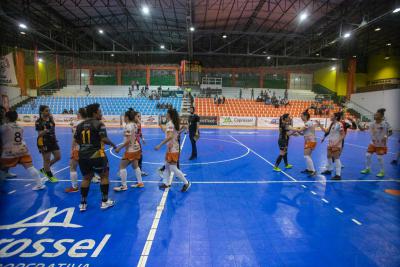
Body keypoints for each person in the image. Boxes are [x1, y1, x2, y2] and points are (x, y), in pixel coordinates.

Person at [74, 103, 117, 211]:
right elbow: (104, 139)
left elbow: (76, 140)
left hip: (82, 155)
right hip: (96, 154)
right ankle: (104, 201)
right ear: (94, 113)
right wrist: (113, 144)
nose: (101, 113)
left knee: (86, 178)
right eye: (100, 111)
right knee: (104, 176)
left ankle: (83, 203)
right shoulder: (99, 124)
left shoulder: (79, 126)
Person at [0, 111, 45, 190]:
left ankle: (4, 176)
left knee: (2, 168)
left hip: (9, 151)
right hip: (22, 149)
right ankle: (40, 184)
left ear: (6, 118)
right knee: (30, 167)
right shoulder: (21, 127)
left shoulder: (3, 127)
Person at [155, 108, 191, 192]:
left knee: (173, 167)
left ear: (169, 115)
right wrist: (161, 126)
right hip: (171, 148)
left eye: (167, 113)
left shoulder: (170, 124)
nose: (166, 115)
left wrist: (160, 145)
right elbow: (174, 133)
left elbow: (170, 136)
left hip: (173, 148)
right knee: (167, 166)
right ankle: (166, 183)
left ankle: (186, 182)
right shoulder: (171, 123)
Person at [65, 108, 100, 193]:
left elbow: (74, 137)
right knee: (89, 164)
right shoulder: (91, 123)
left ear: (79, 114)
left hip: (78, 148)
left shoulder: (76, 124)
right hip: (89, 148)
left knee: (72, 167)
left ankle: (74, 187)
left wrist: (72, 149)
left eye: (77, 113)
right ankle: (95, 177)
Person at [113, 109, 144, 191]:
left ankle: (124, 186)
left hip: (131, 149)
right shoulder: (135, 124)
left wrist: (119, 148)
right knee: (135, 165)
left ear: (126, 117)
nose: (123, 118)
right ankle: (140, 182)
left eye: (124, 116)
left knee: (122, 167)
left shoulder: (128, 126)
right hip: (137, 148)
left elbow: (128, 140)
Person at [359, 108, 392, 177]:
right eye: (375, 114)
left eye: (377, 115)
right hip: (373, 142)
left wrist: (386, 136)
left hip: (381, 144)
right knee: (368, 155)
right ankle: (367, 169)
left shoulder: (386, 124)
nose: (375, 116)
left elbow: (391, 132)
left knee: (379, 158)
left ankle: (382, 171)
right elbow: (364, 129)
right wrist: (361, 128)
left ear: (381, 116)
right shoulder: (372, 123)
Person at [36, 105, 61, 182]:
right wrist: (45, 131)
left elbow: (53, 129)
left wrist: (55, 138)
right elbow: (39, 134)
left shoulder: (50, 118)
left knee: (58, 157)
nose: (48, 112)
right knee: (46, 160)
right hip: (44, 142)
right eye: (46, 110)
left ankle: (45, 169)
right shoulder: (38, 121)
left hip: (53, 141)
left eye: (48, 110)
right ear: (41, 111)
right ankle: (50, 176)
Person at [317, 112, 344, 180]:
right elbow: (326, 131)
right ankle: (329, 169)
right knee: (328, 156)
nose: (330, 117)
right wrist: (320, 125)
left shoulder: (339, 124)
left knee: (336, 158)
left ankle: (338, 175)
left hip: (336, 144)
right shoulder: (332, 124)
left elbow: (342, 135)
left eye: (332, 116)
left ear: (336, 117)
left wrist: (337, 143)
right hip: (330, 144)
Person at [297, 110, 317, 176]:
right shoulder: (308, 123)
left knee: (306, 156)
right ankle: (309, 169)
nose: (301, 117)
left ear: (305, 116)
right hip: (308, 140)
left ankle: (313, 171)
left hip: (311, 140)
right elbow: (303, 133)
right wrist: (298, 132)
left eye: (302, 116)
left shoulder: (308, 123)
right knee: (307, 155)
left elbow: (300, 130)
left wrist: (291, 128)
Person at [136, 111, 148, 176]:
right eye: (138, 116)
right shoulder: (133, 124)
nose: (139, 117)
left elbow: (140, 133)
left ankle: (139, 171)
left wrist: (142, 139)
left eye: (140, 116)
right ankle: (122, 170)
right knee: (131, 158)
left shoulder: (139, 124)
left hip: (137, 143)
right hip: (133, 144)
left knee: (139, 157)